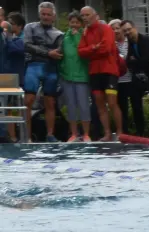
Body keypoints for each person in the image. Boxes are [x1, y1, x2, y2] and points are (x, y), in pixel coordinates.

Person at [22, 3, 63, 143]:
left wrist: (52, 54)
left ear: (53, 16)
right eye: (43, 14)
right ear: (39, 15)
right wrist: (48, 52)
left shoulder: (59, 34)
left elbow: (60, 52)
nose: (45, 17)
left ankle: (50, 135)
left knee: (50, 102)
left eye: (48, 14)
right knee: (28, 100)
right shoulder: (30, 27)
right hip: (33, 65)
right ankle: (27, 136)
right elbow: (26, 45)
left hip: (51, 67)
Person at [75, 6, 117, 140]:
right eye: (82, 16)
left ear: (95, 15)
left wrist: (91, 52)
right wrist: (94, 47)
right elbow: (80, 52)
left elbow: (106, 48)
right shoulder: (85, 32)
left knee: (112, 103)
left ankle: (121, 132)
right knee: (99, 103)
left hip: (109, 70)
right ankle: (107, 133)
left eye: (87, 15)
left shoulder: (106, 28)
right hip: (94, 71)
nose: (84, 18)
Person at [57, 9, 88, 141]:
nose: (74, 25)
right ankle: (74, 134)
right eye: (72, 22)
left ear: (81, 23)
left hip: (82, 76)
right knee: (70, 106)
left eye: (77, 22)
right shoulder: (64, 37)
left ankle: (86, 134)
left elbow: (83, 52)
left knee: (83, 106)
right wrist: (62, 69)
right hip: (67, 76)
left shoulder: (85, 36)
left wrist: (76, 37)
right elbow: (61, 54)